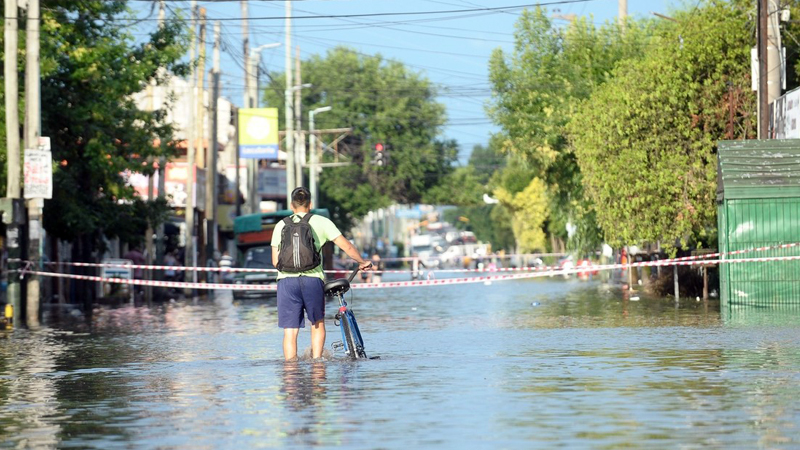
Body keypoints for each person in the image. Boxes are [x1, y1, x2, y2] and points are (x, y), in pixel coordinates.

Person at [271, 187, 372, 361]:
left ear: (291, 205)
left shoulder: (280, 225)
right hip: (312, 280)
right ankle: (317, 365)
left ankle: (290, 369)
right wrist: (362, 262)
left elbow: (275, 261)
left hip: (286, 282)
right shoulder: (321, 222)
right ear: (310, 204)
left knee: (290, 331)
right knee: (317, 324)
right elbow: (346, 246)